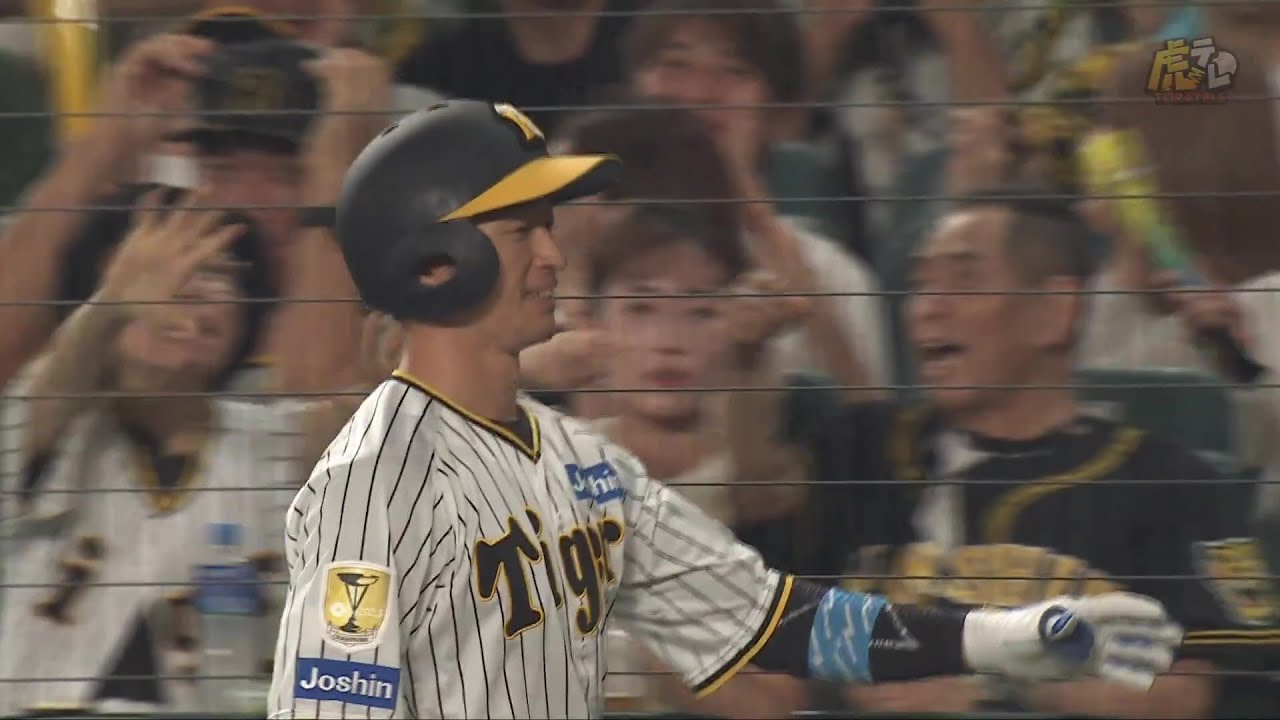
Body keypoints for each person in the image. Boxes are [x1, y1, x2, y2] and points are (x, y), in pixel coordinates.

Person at [266, 99, 1183, 719]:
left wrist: (993, 636)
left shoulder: (594, 472)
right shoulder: (375, 484)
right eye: (521, 235)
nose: (553, 258)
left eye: (550, 231)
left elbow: (781, 627)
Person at [726, 188, 1280, 718]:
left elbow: (1189, 696)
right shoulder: (863, 448)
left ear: (1054, 312)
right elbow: (760, 501)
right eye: (921, 284)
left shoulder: (1170, 484)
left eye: (964, 282)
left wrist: (994, 688)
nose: (927, 308)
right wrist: (745, 361)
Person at [0, 184, 381, 716]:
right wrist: (110, 306)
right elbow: (47, 396)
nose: (190, 289)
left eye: (218, 275)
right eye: (162, 270)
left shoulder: (281, 443)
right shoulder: (56, 428)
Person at [0, 6, 389, 395]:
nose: (245, 201)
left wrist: (332, 184)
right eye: (222, 170)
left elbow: (318, 413)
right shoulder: (147, 278)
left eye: (286, 175)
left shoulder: (385, 300)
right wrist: (102, 145)